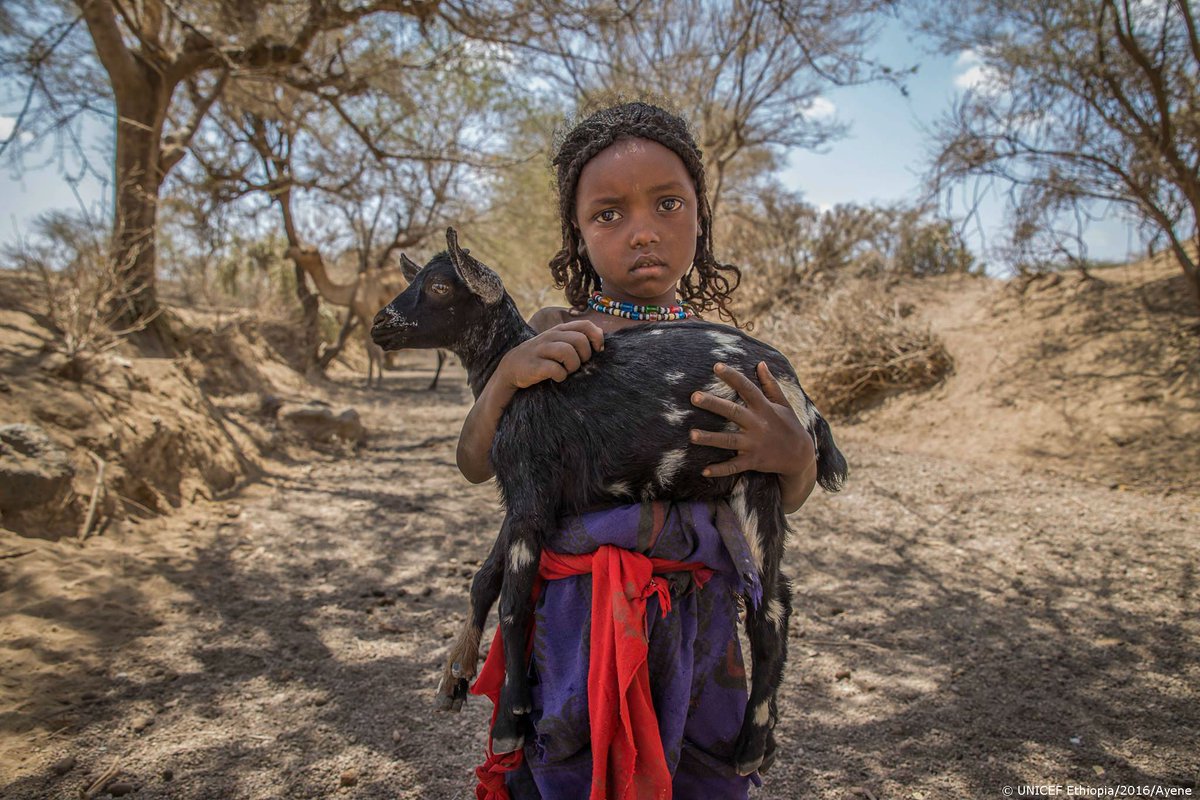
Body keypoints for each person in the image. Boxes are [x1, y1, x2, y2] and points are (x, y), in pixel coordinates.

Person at [456, 102, 819, 799]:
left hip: (698, 619)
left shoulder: (721, 358)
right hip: (572, 617)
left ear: (700, 217)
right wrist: (504, 378)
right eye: (608, 214)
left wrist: (794, 455)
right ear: (578, 233)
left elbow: (781, 499)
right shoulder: (553, 331)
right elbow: (476, 463)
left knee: (695, 765)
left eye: (668, 204)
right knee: (570, 761)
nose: (642, 232)